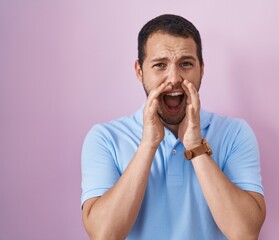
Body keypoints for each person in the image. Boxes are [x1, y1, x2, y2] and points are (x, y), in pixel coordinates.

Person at [81, 14, 266, 240]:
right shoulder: (104, 138)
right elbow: (103, 235)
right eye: (160, 65)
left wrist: (195, 147)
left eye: (186, 64)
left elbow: (245, 233)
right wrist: (148, 144)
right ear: (139, 71)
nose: (174, 78)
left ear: (202, 69)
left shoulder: (235, 133)